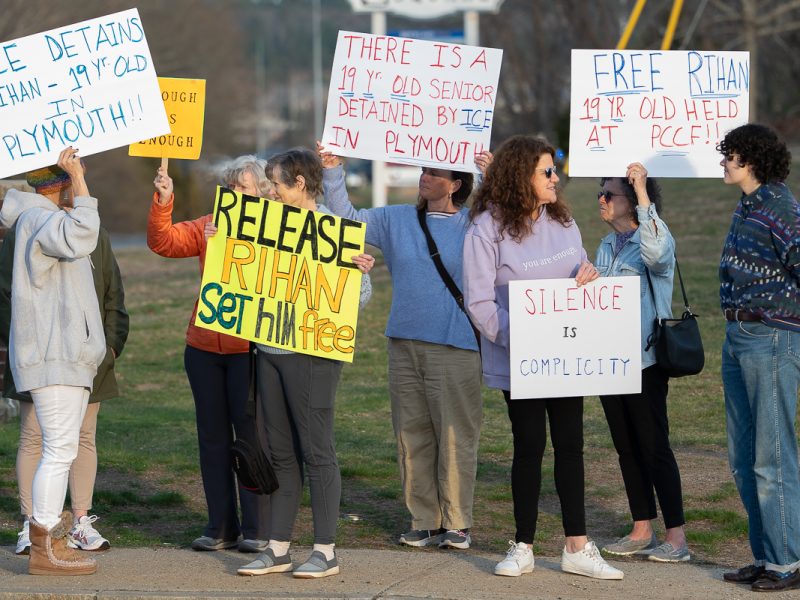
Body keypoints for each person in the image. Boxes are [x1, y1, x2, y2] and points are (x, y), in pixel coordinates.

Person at [463, 135, 622, 580]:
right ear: (521, 177)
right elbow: (478, 302)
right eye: (547, 171)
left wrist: (589, 275)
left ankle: (577, 546)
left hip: (565, 356)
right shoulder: (485, 229)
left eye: (555, 169)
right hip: (522, 359)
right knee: (529, 445)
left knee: (571, 444)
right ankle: (523, 545)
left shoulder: (564, 222)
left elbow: (577, 272)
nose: (556, 178)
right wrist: (527, 336)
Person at [317, 142, 484, 551]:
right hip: (403, 343)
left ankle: (457, 521)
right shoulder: (396, 219)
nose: (424, 177)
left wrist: (491, 173)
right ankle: (424, 519)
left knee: (455, 435)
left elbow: (513, 219)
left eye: (434, 173)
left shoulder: (476, 226)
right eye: (424, 171)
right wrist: (333, 171)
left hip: (455, 345)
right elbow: (347, 220)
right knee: (410, 435)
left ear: (455, 185)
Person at [236, 148, 373, 579]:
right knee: (280, 453)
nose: (269, 190)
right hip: (269, 350)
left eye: (275, 183)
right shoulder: (263, 226)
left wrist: (355, 274)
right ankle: (278, 547)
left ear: (299, 184)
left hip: (313, 355)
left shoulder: (336, 231)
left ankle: (325, 550)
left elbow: (363, 296)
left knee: (317, 451)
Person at [0, 167, 128, 557]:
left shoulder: (39, 219)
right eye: (71, 183)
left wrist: (102, 345)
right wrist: (82, 181)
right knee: (54, 450)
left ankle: (50, 535)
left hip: (66, 355)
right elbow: (82, 233)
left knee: (63, 448)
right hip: (53, 357)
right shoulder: (41, 219)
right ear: (61, 187)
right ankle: (43, 537)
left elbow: (108, 288)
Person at [148, 155, 272, 553]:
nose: (236, 193)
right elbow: (162, 242)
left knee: (251, 438)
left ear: (265, 192)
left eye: (245, 187)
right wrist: (163, 199)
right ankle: (220, 525)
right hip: (203, 349)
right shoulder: (208, 226)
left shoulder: (277, 231)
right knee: (213, 439)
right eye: (231, 186)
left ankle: (258, 528)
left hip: (250, 352)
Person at [716, 124, 800, 592]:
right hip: (738, 335)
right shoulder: (747, 206)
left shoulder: (781, 209)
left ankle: (787, 562)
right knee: (743, 457)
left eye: (731, 155)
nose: (724, 161)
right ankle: (767, 555)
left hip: (770, 337)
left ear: (753, 160)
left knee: (772, 456)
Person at [593, 164, 689, 562]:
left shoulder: (654, 237)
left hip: (646, 360)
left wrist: (642, 191)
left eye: (609, 194)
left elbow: (657, 256)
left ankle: (677, 538)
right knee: (626, 447)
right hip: (608, 361)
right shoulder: (604, 245)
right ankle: (641, 528)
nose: (601, 198)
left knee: (654, 446)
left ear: (631, 202)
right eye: (600, 192)